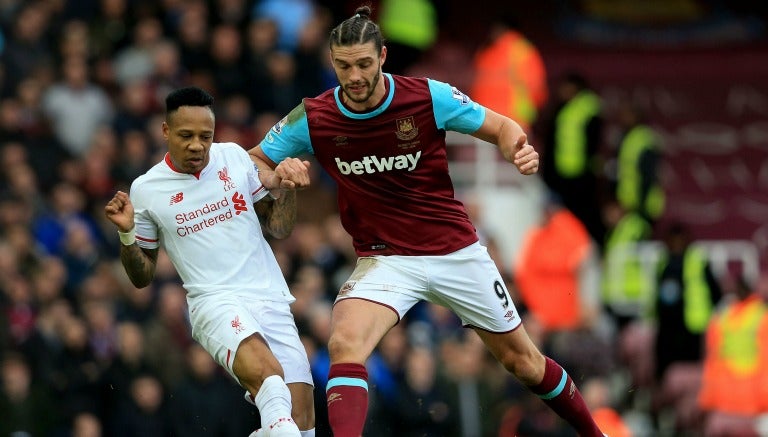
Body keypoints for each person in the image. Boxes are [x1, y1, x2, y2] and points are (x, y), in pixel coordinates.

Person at [248, 6, 605, 437]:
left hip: (454, 252)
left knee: (524, 364)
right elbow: (254, 162)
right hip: (386, 259)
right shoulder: (314, 117)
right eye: (344, 66)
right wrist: (280, 172)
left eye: (364, 64)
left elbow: (501, 127)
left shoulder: (427, 97)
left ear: (382, 56)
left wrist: (517, 149)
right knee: (345, 342)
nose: (355, 76)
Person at [104, 87, 315, 437]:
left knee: (302, 425)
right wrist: (127, 235)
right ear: (166, 131)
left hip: (270, 297)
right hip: (214, 302)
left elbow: (278, 227)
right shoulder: (147, 189)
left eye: (206, 136)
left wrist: (287, 186)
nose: (197, 145)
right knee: (271, 382)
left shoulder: (233, 156)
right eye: (186, 135)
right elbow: (141, 277)